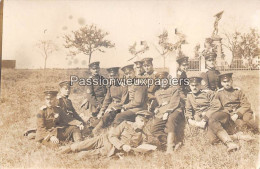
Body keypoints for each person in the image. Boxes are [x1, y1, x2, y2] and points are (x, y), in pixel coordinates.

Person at [58, 111, 153, 158]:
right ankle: (65, 150)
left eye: (146, 122)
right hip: (105, 139)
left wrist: (133, 149)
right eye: (141, 121)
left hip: (111, 149)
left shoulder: (143, 135)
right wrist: (122, 145)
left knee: (85, 155)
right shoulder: (125, 124)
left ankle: (71, 157)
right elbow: (112, 136)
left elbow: (142, 148)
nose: (143, 124)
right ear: (136, 119)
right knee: (82, 145)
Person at [204, 73, 258, 152]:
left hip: (239, 113)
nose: (227, 83)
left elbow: (246, 105)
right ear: (221, 83)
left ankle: (248, 133)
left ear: (232, 81)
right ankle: (237, 137)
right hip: (227, 114)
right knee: (213, 137)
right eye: (224, 82)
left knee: (248, 120)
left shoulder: (238, 91)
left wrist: (237, 114)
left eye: (228, 81)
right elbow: (216, 106)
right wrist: (206, 116)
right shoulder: (219, 93)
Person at [150, 71, 185, 154]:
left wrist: (167, 112)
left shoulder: (174, 89)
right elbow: (161, 103)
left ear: (168, 79)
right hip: (162, 112)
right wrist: (157, 108)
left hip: (175, 109)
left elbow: (174, 102)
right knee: (154, 129)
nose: (162, 82)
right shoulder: (157, 92)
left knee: (171, 119)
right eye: (160, 81)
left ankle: (170, 147)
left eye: (164, 80)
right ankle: (174, 142)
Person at [92, 67, 128, 135]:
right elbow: (107, 100)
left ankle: (97, 131)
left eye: (114, 75)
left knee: (107, 116)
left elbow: (124, 102)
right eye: (111, 76)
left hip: (120, 107)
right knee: (100, 116)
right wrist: (101, 111)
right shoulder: (110, 86)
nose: (113, 78)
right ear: (109, 76)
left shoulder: (123, 86)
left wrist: (112, 108)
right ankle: (94, 129)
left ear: (118, 75)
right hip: (112, 106)